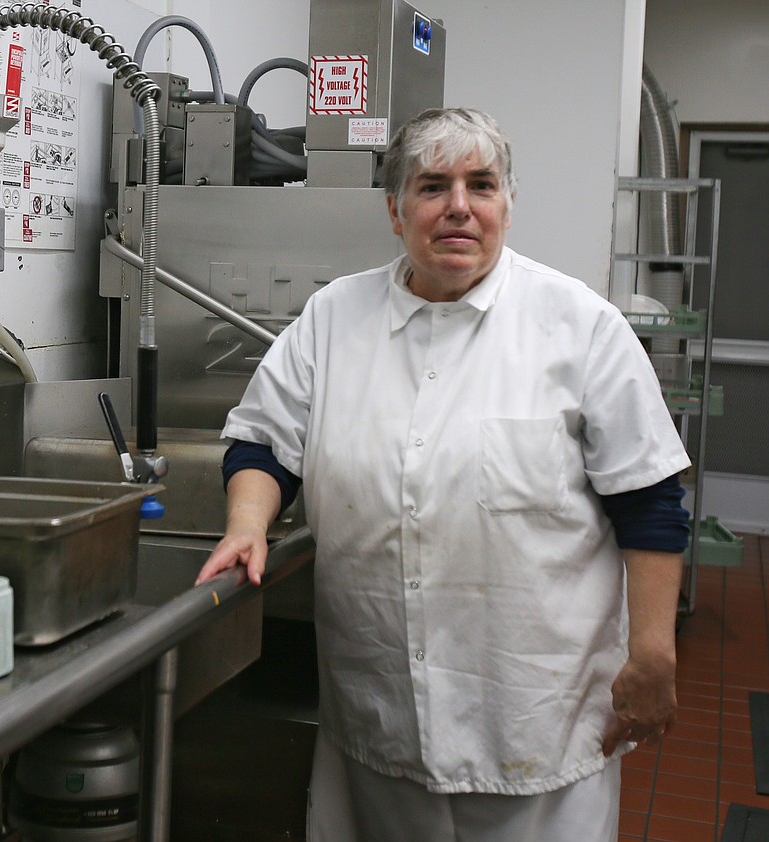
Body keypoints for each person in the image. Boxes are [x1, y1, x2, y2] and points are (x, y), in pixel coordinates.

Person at [194, 107, 691, 841]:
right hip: (376, 717)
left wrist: (653, 651)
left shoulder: (579, 327)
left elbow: (648, 498)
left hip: (536, 733)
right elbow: (264, 445)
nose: (459, 206)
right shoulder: (334, 318)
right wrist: (247, 523)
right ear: (395, 212)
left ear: (508, 205)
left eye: (480, 184)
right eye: (433, 187)